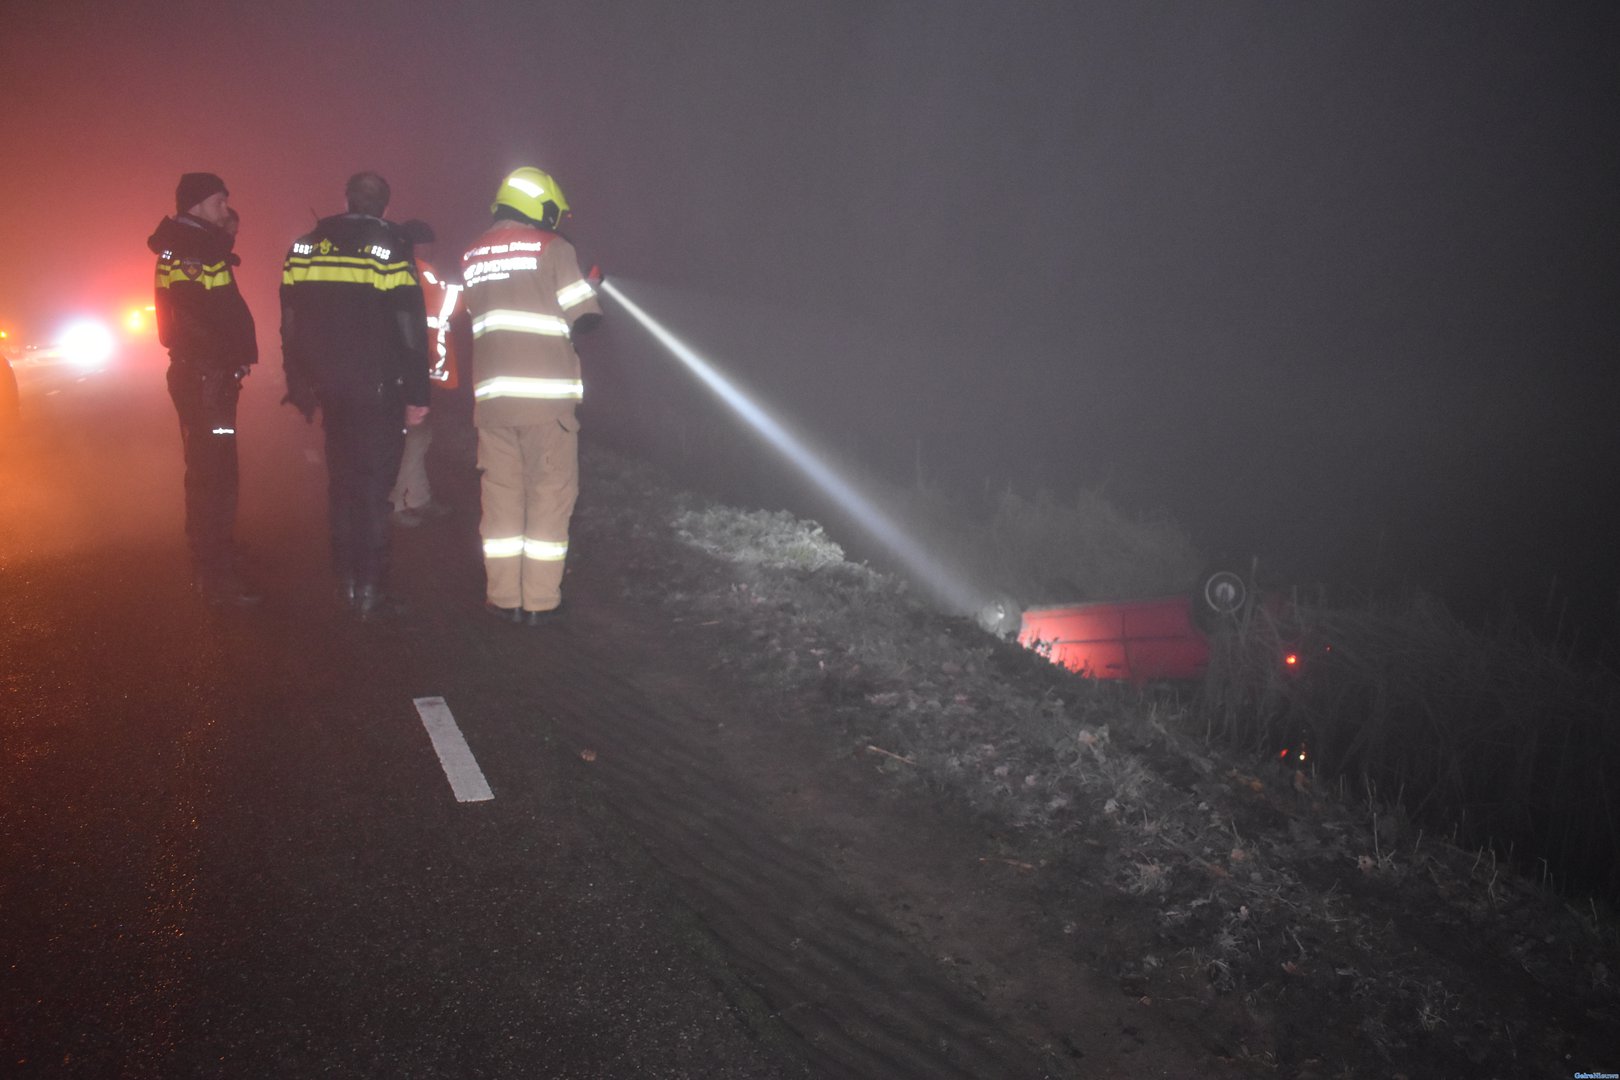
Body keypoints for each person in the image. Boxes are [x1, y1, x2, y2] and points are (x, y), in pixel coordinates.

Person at [280, 171, 431, 618]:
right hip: (377, 391)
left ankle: (345, 581)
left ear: (345, 200)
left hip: (330, 389)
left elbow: (289, 323)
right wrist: (418, 394)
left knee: (342, 485)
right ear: (385, 206)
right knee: (372, 489)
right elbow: (410, 328)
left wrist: (299, 382)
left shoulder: (304, 247)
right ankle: (371, 588)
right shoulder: (390, 249)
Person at [461, 167, 602, 626]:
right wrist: (591, 286)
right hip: (546, 404)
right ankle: (540, 602)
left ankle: (503, 598)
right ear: (542, 206)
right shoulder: (553, 248)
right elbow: (585, 317)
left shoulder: (472, 254)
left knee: (501, 500)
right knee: (549, 496)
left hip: (493, 403)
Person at [146, 172, 259, 605]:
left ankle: (217, 554)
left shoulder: (197, 243)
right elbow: (194, 319)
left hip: (208, 375)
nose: (225, 209)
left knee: (215, 469)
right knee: (213, 475)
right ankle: (215, 577)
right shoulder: (190, 249)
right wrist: (224, 362)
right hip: (205, 376)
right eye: (219, 201)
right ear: (195, 204)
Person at [388, 220, 460, 527]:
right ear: (416, 245)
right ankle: (397, 503)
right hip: (419, 368)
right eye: (428, 243)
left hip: (418, 367)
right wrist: (462, 286)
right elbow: (447, 307)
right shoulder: (421, 271)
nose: (433, 249)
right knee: (412, 439)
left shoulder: (393, 269)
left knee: (419, 439)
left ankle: (417, 497)